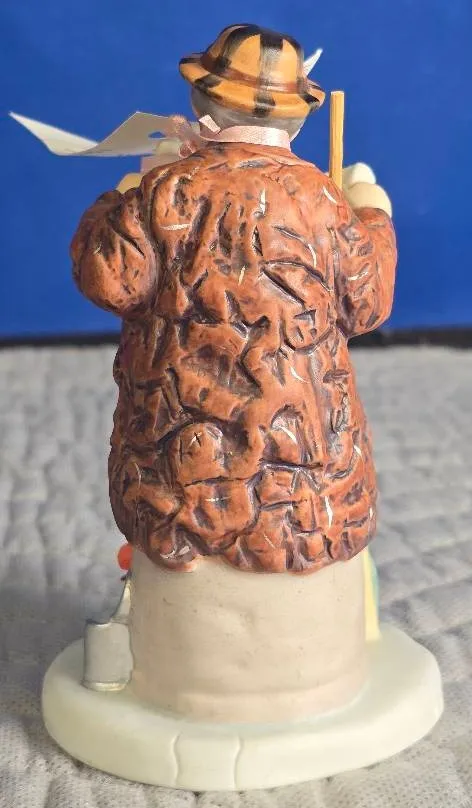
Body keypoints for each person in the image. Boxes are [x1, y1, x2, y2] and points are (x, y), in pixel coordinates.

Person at [70, 23, 397, 722]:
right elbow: (368, 301)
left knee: (186, 570)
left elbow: (108, 276)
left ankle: (186, 681)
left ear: (201, 105)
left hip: (179, 461)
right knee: (290, 558)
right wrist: (373, 212)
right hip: (306, 465)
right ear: (296, 119)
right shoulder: (321, 200)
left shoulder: (165, 192)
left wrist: (122, 195)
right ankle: (303, 680)